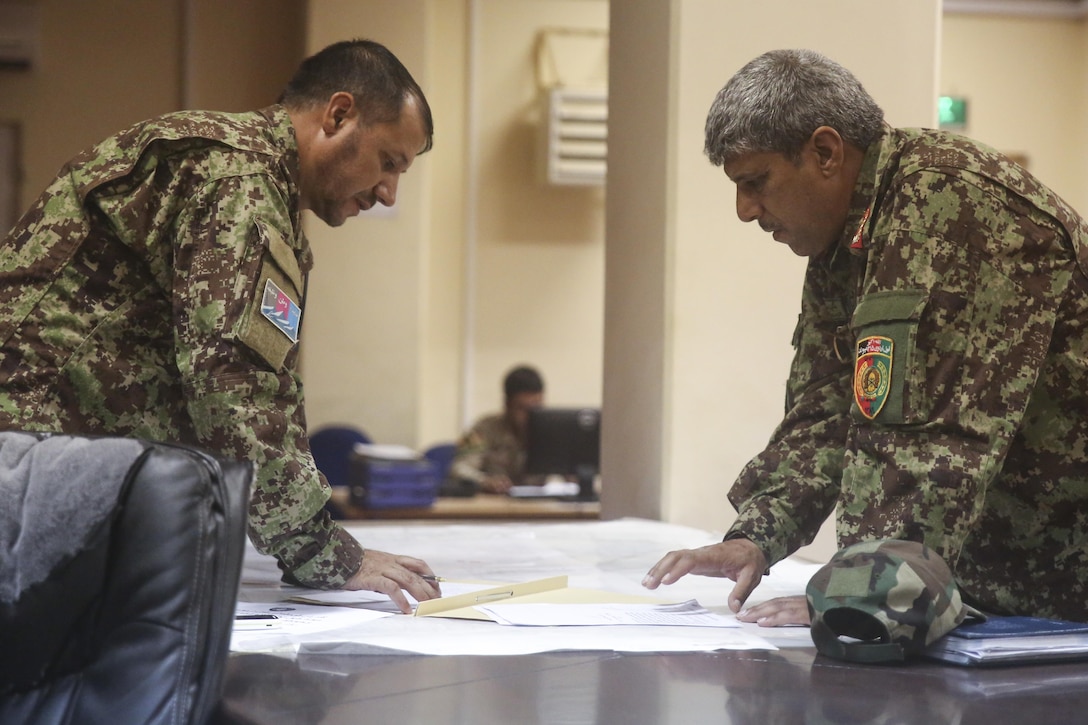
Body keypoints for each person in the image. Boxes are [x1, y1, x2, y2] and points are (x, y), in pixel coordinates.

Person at [642, 49, 1088, 625]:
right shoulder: (850, 237)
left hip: (1065, 585)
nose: (744, 210)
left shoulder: (949, 202)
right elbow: (828, 405)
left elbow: (933, 439)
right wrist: (756, 535)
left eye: (756, 182)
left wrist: (859, 593)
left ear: (825, 152)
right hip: (1002, 588)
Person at [0, 39, 441, 614]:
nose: (388, 193)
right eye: (389, 161)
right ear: (338, 115)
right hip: (27, 472)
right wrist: (322, 552)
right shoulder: (239, 177)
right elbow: (232, 385)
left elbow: (261, 382)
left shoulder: (256, 181)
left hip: (48, 470)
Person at [448, 365, 547, 493]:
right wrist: (484, 481)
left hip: (538, 506)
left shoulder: (551, 431)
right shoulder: (482, 428)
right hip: (492, 504)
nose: (530, 416)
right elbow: (458, 468)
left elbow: (572, 474)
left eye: (536, 407)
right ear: (507, 405)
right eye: (522, 409)